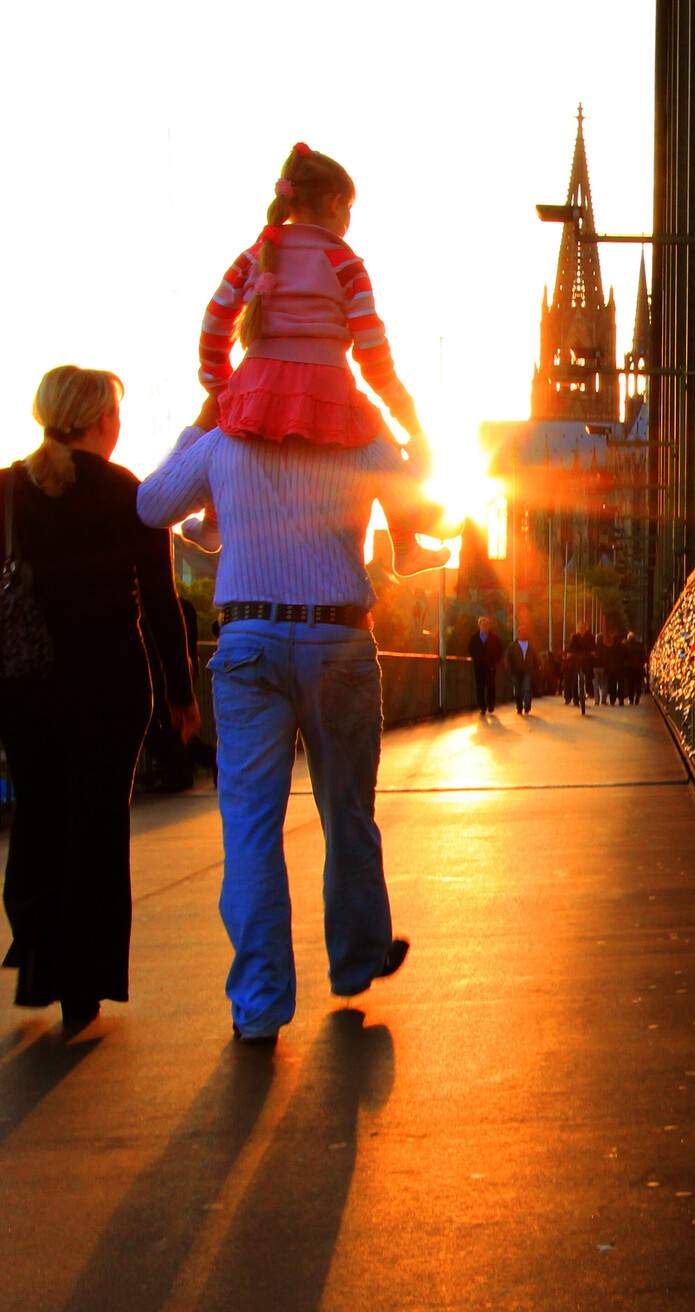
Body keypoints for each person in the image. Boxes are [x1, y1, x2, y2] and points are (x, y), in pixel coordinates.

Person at [138, 401, 428, 1045]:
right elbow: (423, 514)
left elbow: (152, 504)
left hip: (247, 640)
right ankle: (355, 961)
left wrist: (201, 420)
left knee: (250, 828)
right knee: (347, 811)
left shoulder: (224, 442)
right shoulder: (358, 431)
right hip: (339, 639)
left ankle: (260, 1005)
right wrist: (412, 430)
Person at [0, 367, 199, 1034]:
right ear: (99, 422)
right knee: (98, 826)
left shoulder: (6, 491)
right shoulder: (131, 495)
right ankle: (82, 981)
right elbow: (164, 607)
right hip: (111, 685)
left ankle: (36, 948)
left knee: (38, 814)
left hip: (25, 685)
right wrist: (180, 692)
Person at [189, 142, 444, 578]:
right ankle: (405, 544)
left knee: (224, 433)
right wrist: (409, 419)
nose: (349, 221)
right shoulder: (345, 263)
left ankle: (213, 525)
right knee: (381, 448)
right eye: (350, 208)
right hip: (328, 392)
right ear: (335, 203)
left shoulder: (253, 256)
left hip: (255, 389)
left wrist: (222, 385)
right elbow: (372, 352)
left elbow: (214, 325)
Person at [467, 615, 502, 716]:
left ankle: (491, 704)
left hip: (490, 665)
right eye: (482, 624)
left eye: (486, 624)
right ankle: (482, 706)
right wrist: (475, 658)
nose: (484, 626)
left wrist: (496, 660)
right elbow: (470, 649)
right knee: (480, 686)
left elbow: (499, 650)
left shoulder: (494, 638)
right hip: (478, 666)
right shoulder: (474, 638)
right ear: (479, 626)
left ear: (488, 626)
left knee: (491, 685)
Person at [567, 621, 596, 715]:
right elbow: (570, 647)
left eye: (583, 628)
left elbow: (594, 647)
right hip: (576, 659)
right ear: (578, 629)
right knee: (575, 679)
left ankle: (589, 690)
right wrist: (569, 654)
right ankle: (575, 699)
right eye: (580, 628)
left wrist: (593, 652)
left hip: (586, 659)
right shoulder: (574, 637)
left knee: (589, 674)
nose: (581, 630)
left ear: (586, 628)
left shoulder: (590, 637)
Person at [505, 628, 536, 714]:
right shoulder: (512, 646)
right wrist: (509, 668)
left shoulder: (530, 645)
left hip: (527, 670)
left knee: (527, 688)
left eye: (524, 632)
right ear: (518, 634)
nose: (522, 634)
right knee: (517, 690)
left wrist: (536, 668)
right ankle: (519, 707)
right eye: (521, 632)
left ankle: (527, 706)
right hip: (516, 671)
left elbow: (535, 657)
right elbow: (508, 658)